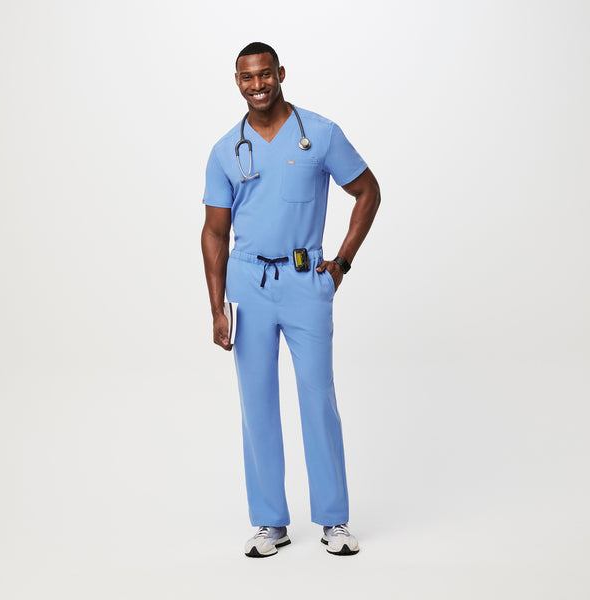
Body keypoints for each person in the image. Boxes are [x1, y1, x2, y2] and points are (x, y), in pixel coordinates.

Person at [201, 42, 380, 557]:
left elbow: (368, 191)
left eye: (264, 75)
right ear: (237, 81)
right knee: (256, 404)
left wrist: (341, 263)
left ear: (280, 73)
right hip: (248, 287)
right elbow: (214, 233)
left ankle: (334, 519)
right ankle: (269, 522)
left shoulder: (319, 134)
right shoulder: (225, 151)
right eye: (246, 77)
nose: (256, 85)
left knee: (318, 399)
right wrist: (217, 307)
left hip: (306, 282)